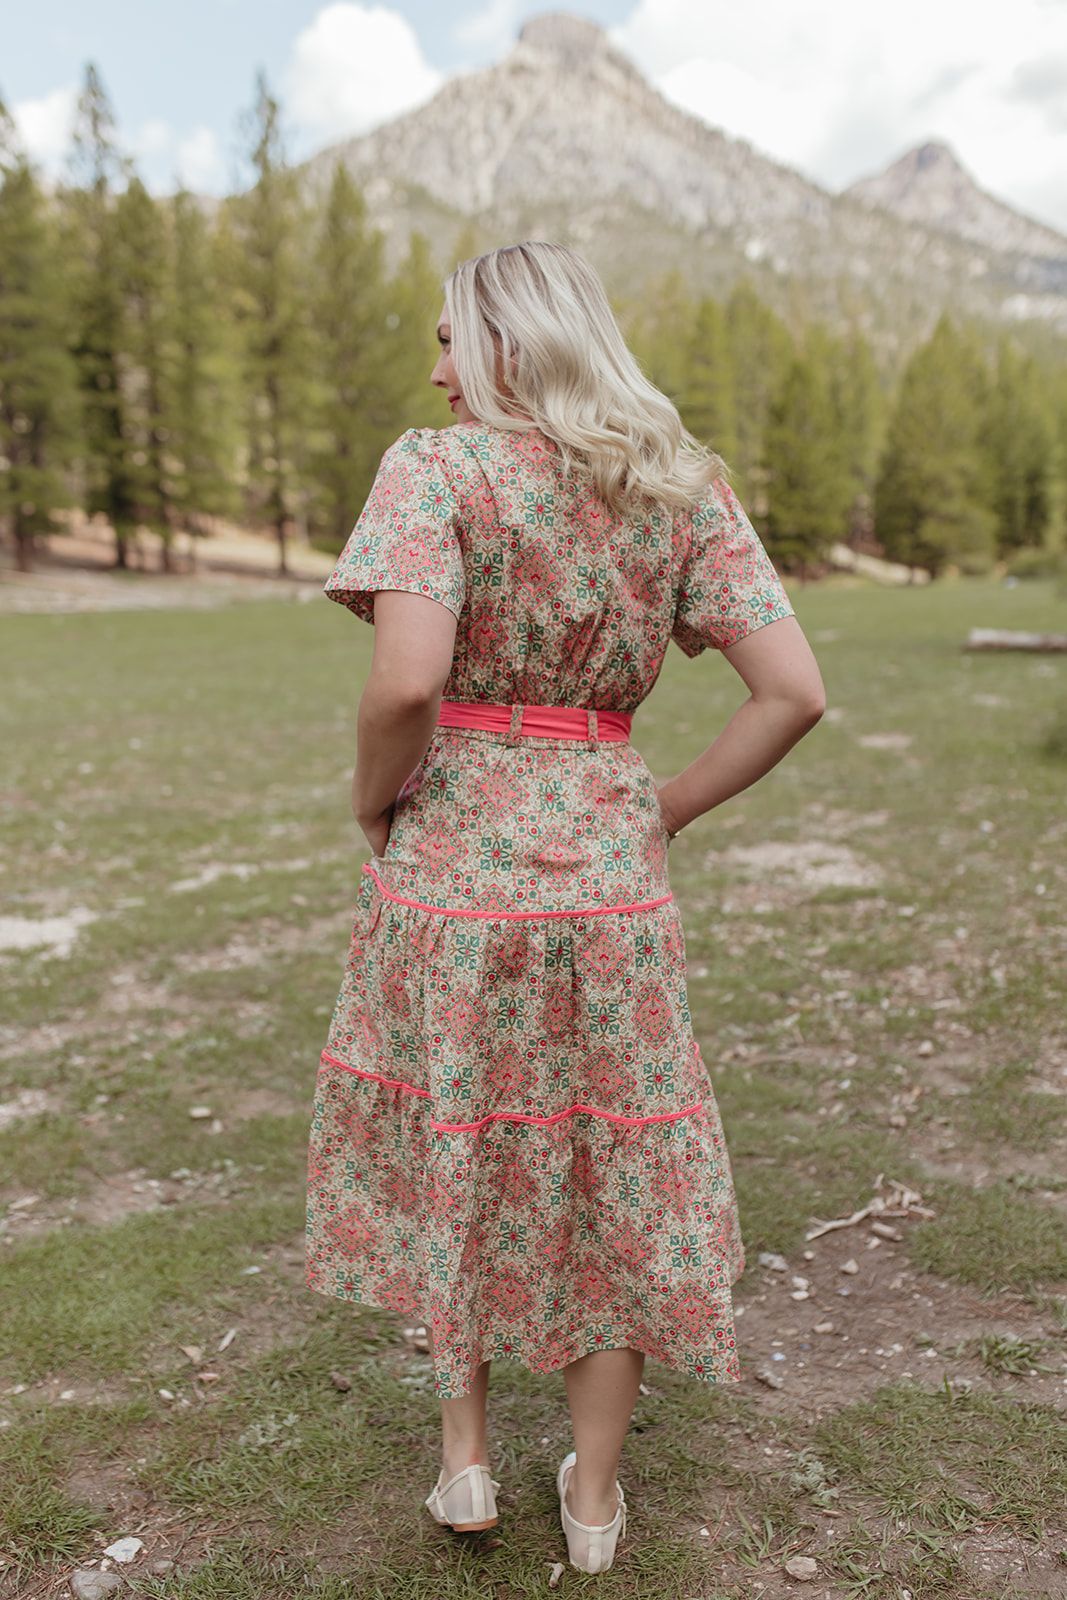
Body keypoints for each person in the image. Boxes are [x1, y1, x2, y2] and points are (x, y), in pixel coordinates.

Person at [304, 240, 825, 1574]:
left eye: (448, 339)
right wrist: (662, 809)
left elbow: (407, 682)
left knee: (459, 1140)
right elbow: (792, 693)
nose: (436, 369)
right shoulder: (676, 483)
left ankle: (466, 1465)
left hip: (454, 870)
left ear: (508, 342)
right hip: (609, 878)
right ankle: (593, 1502)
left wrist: (372, 799)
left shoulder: (435, 470)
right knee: (610, 1165)